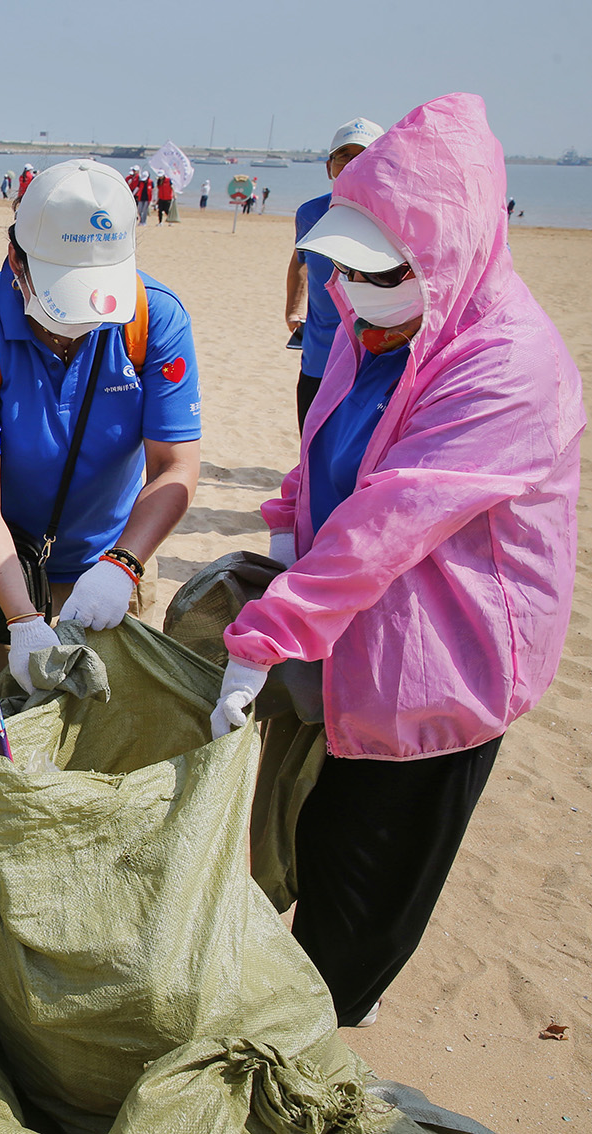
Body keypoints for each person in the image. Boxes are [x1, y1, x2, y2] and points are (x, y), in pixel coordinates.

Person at [213, 95, 583, 1030]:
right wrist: (289, 520)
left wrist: (267, 630)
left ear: (449, 253)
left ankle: (326, 1030)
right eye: (342, 264)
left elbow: (394, 514)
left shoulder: (509, 365)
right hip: (344, 634)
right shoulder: (377, 321)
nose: (349, 287)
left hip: (443, 664)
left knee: (363, 885)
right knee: (317, 830)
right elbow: (321, 437)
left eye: (377, 270)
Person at [0, 159, 201, 744]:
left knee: (95, 745)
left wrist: (123, 565)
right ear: (16, 258)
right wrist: (23, 617)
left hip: (110, 565)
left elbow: (175, 466)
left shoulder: (154, 318)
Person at [287, 117, 384, 431]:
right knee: (312, 453)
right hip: (319, 357)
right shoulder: (310, 214)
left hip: (375, 361)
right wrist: (293, 309)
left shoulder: (396, 216)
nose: (353, 164)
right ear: (329, 165)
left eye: (363, 156)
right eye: (344, 155)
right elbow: (300, 260)